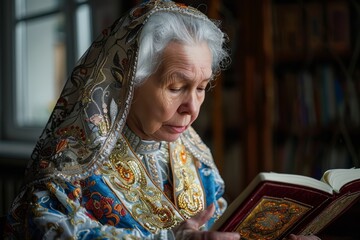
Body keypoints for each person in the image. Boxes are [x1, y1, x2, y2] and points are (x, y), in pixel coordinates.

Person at [4, 0, 321, 239]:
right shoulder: (69, 164)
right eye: (177, 87)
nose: (192, 108)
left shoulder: (197, 158)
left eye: (201, 88)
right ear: (127, 84)